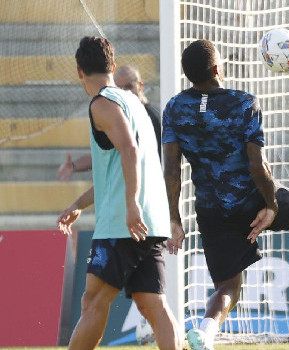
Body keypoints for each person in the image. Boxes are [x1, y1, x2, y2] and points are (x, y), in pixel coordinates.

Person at [162, 39, 289, 350]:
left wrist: (174, 219)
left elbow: (171, 170)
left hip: (210, 209)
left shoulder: (175, 108)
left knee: (227, 285)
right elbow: (258, 165)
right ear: (217, 69)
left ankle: (206, 333)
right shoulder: (244, 102)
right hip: (250, 199)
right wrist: (272, 205)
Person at [56, 36, 181, 350]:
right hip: (150, 219)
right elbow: (118, 170)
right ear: (112, 66)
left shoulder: (102, 104)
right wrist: (79, 203)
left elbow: (129, 150)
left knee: (92, 301)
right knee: (152, 303)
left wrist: (130, 205)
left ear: (78, 70)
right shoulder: (135, 103)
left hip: (123, 223)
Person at [56, 65, 162, 180]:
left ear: (141, 86)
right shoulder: (123, 117)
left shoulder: (153, 117)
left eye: (129, 87)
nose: (124, 93)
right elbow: (109, 154)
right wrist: (74, 166)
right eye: (120, 89)